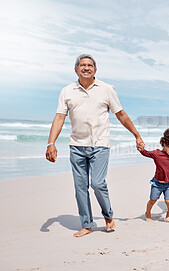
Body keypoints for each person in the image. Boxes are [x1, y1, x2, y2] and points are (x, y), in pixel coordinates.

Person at [45, 54, 144, 237]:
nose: (86, 68)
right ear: (76, 69)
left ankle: (108, 216)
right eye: (82, 65)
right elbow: (59, 117)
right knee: (80, 187)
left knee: (98, 183)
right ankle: (87, 224)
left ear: (95, 70)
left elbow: (120, 114)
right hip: (76, 145)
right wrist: (51, 143)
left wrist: (136, 135)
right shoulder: (67, 91)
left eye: (90, 65)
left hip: (100, 145)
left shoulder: (106, 89)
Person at [139, 128, 169, 222]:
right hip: (157, 184)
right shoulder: (157, 154)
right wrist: (141, 149)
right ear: (164, 144)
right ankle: (148, 213)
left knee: (168, 201)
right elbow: (146, 153)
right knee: (152, 200)